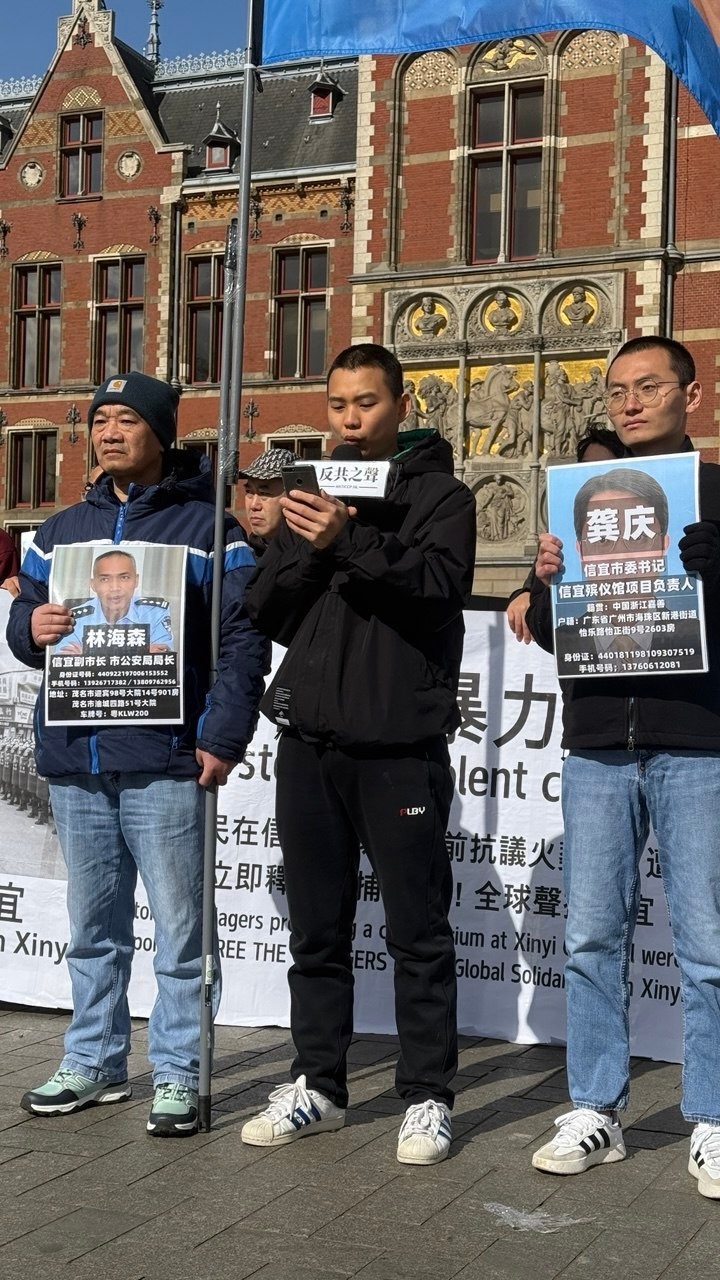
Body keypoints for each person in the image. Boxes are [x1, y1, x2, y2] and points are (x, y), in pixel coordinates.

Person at [7, 370, 269, 1138]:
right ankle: (94, 1061)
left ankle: (181, 1071)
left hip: (166, 759)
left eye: (126, 419)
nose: (109, 432)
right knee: (93, 929)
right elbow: (26, 624)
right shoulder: (55, 533)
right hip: (76, 760)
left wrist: (221, 737)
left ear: (161, 432)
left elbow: (242, 640)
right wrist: (31, 630)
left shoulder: (210, 531)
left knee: (182, 934)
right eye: (101, 420)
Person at [241, 343, 477, 1165]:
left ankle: (427, 1095)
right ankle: (318, 1083)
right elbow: (265, 609)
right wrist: (310, 542)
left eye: (366, 403)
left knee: (418, 931)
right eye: (338, 403)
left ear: (401, 406)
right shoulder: (307, 492)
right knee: (317, 930)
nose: (349, 419)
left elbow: (439, 591)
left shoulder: (441, 496)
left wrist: (349, 541)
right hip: (309, 744)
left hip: (399, 747)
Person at [525, 336, 720, 1198]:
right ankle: (594, 1107)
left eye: (648, 387)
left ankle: (711, 1116)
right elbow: (553, 633)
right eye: (616, 391)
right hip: (599, 742)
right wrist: (546, 585)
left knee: (707, 944)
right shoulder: (579, 499)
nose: (630, 403)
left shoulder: (716, 493)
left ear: (692, 394)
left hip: (698, 741)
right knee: (592, 936)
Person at [506, 425, 624, 643]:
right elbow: (542, 581)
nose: (596, 476)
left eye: (607, 467)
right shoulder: (567, 527)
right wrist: (525, 593)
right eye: (586, 467)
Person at [56, 548, 173, 653]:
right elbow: (67, 663)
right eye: (105, 579)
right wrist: (141, 651)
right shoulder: (74, 618)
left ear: (136, 581)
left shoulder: (155, 613)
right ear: (93, 585)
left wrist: (87, 654)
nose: (115, 587)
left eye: (124, 578)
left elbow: (162, 660)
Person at [237, 447, 299, 554]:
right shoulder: (244, 553)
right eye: (249, 492)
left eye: (264, 493)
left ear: (294, 497)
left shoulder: (313, 555)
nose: (254, 505)